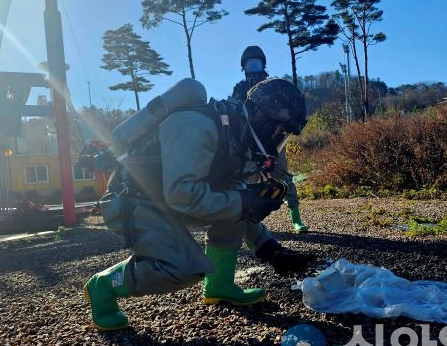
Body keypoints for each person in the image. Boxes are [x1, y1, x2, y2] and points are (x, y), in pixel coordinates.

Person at [84, 78, 308, 331]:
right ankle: (103, 285)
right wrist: (245, 202)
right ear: (260, 117)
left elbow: (236, 202)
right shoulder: (199, 124)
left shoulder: (238, 138)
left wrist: (270, 249)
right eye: (279, 133)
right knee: (182, 268)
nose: (278, 143)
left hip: (162, 200)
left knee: (238, 202)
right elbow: (183, 194)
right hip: (132, 202)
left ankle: (219, 286)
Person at [232, 46, 309, 233]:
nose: (253, 66)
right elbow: (234, 111)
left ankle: (296, 217)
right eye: (249, 64)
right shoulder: (239, 88)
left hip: (274, 139)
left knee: (281, 174)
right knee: (248, 178)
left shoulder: (273, 85)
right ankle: (252, 221)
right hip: (248, 139)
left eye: (256, 63)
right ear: (244, 67)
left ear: (263, 65)